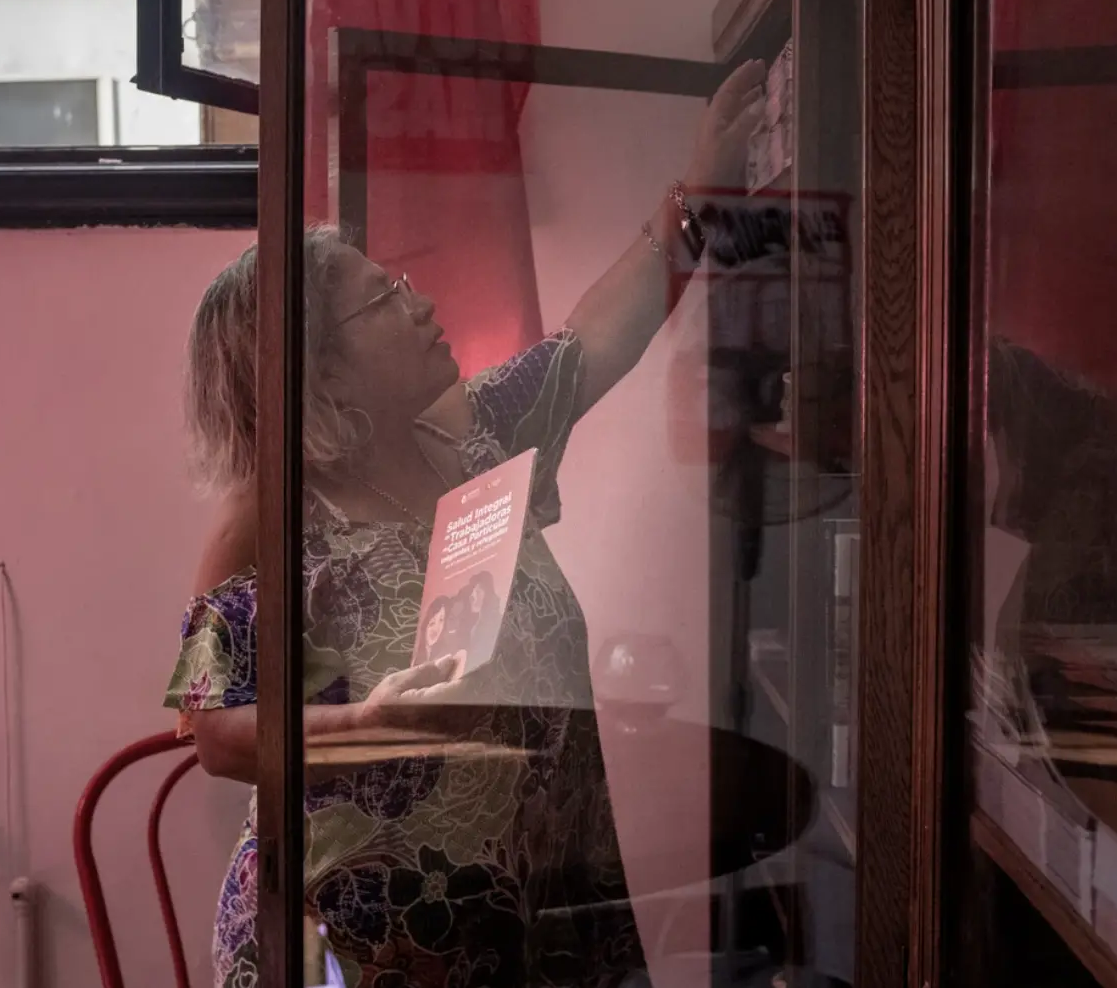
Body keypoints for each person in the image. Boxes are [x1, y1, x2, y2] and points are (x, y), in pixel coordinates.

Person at [164, 61, 768, 988]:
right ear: (319, 369)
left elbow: (595, 338)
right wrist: (365, 722)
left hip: (534, 900)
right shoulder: (265, 514)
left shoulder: (478, 436)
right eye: (384, 298)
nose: (420, 301)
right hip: (361, 947)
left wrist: (698, 189)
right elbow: (214, 735)